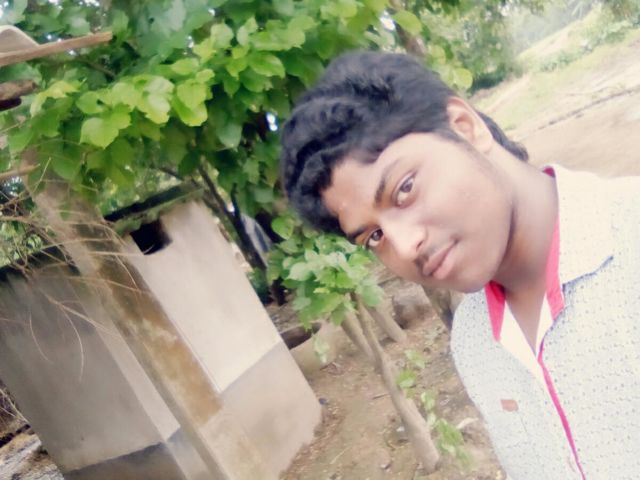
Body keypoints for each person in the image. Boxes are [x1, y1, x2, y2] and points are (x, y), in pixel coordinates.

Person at [279, 51, 640, 479]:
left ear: (465, 127)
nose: (405, 245)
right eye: (374, 236)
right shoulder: (473, 341)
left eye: (404, 189)